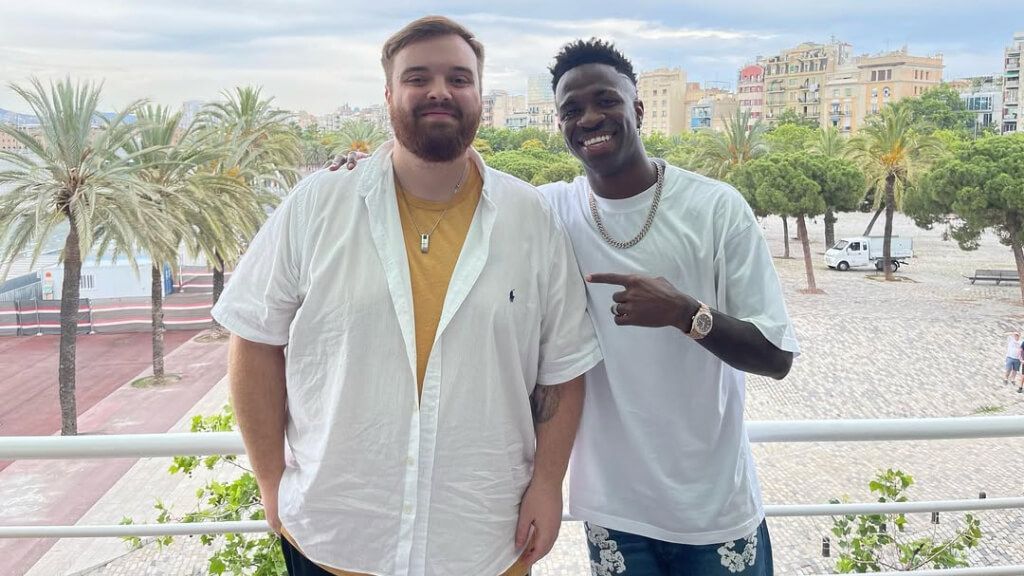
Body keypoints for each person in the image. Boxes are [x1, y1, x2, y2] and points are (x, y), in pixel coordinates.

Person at [332, 37, 799, 576]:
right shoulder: (550, 210)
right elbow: (460, 183)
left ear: (638, 109)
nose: (589, 118)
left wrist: (685, 314)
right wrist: (373, 168)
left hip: (713, 508)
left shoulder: (716, 209)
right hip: (612, 511)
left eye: (606, 101)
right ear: (560, 126)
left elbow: (776, 357)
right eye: (572, 110)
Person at [214, 16, 602, 576]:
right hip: (336, 536)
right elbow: (253, 337)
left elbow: (563, 365)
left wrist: (547, 481)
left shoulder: (531, 218)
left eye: (459, 79)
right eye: (418, 77)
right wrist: (270, 478)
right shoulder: (319, 203)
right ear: (388, 95)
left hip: (482, 541)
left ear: (479, 95)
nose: (440, 91)